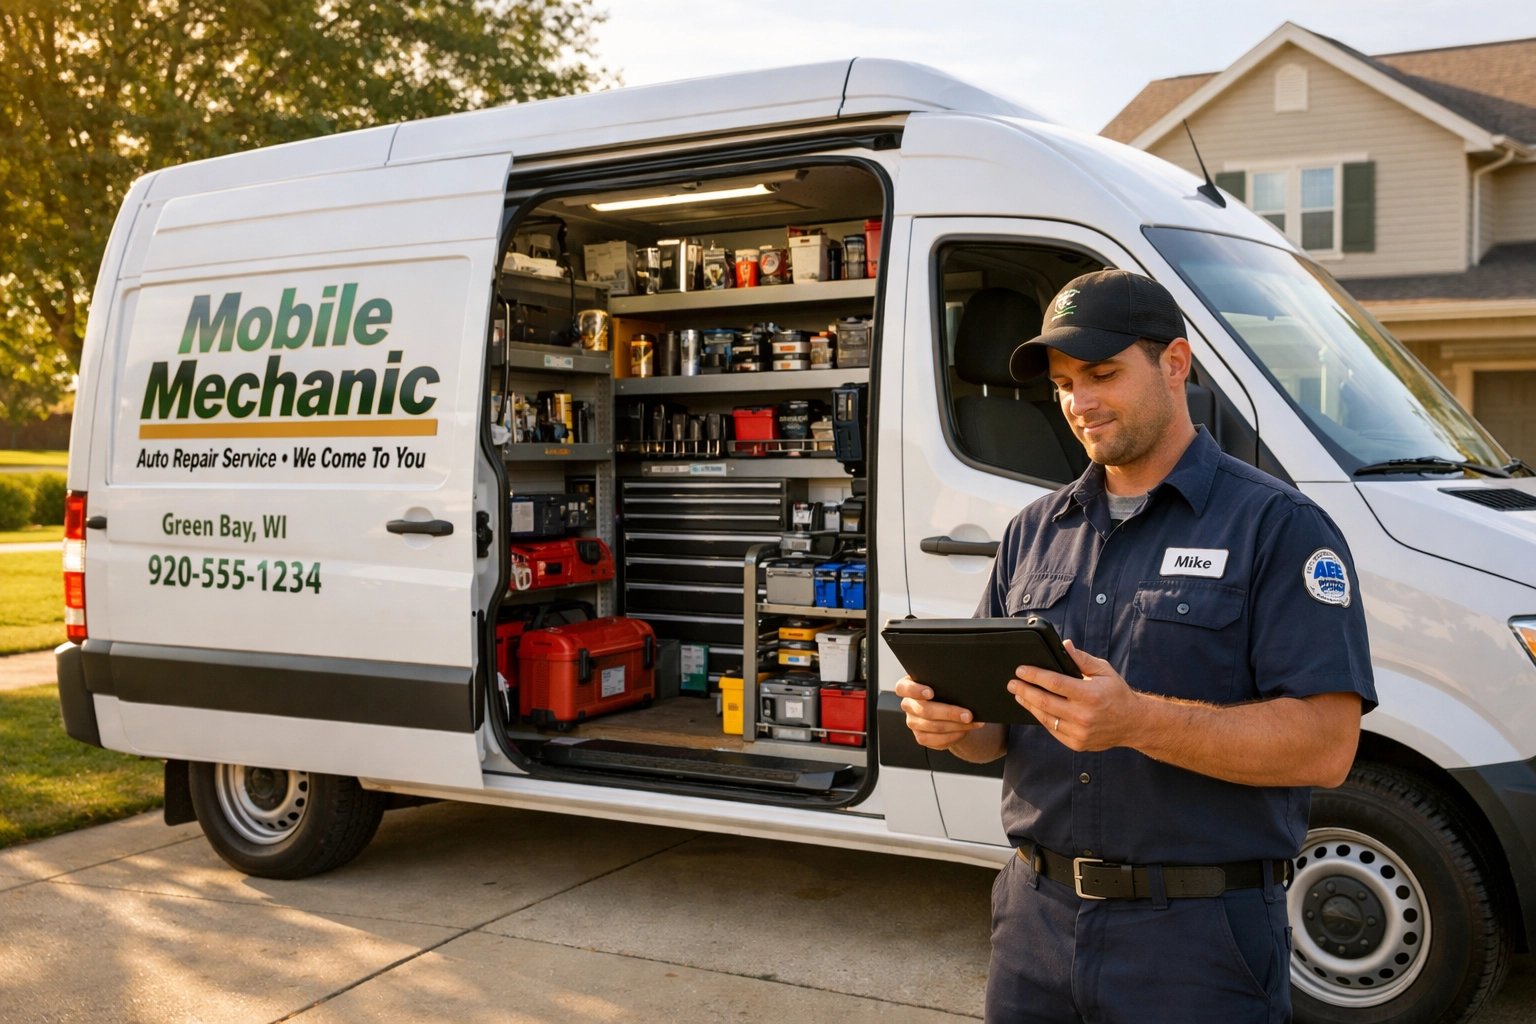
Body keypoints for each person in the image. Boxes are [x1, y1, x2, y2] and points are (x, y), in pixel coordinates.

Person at [896, 269, 1375, 1024]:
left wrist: (1137, 721)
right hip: (1034, 924)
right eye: (1062, 383)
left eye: (1102, 374)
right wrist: (952, 725)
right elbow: (994, 736)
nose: (1079, 403)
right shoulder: (1033, 531)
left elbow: (1326, 745)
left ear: (1175, 365)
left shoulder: (1278, 528)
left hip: (1198, 944)